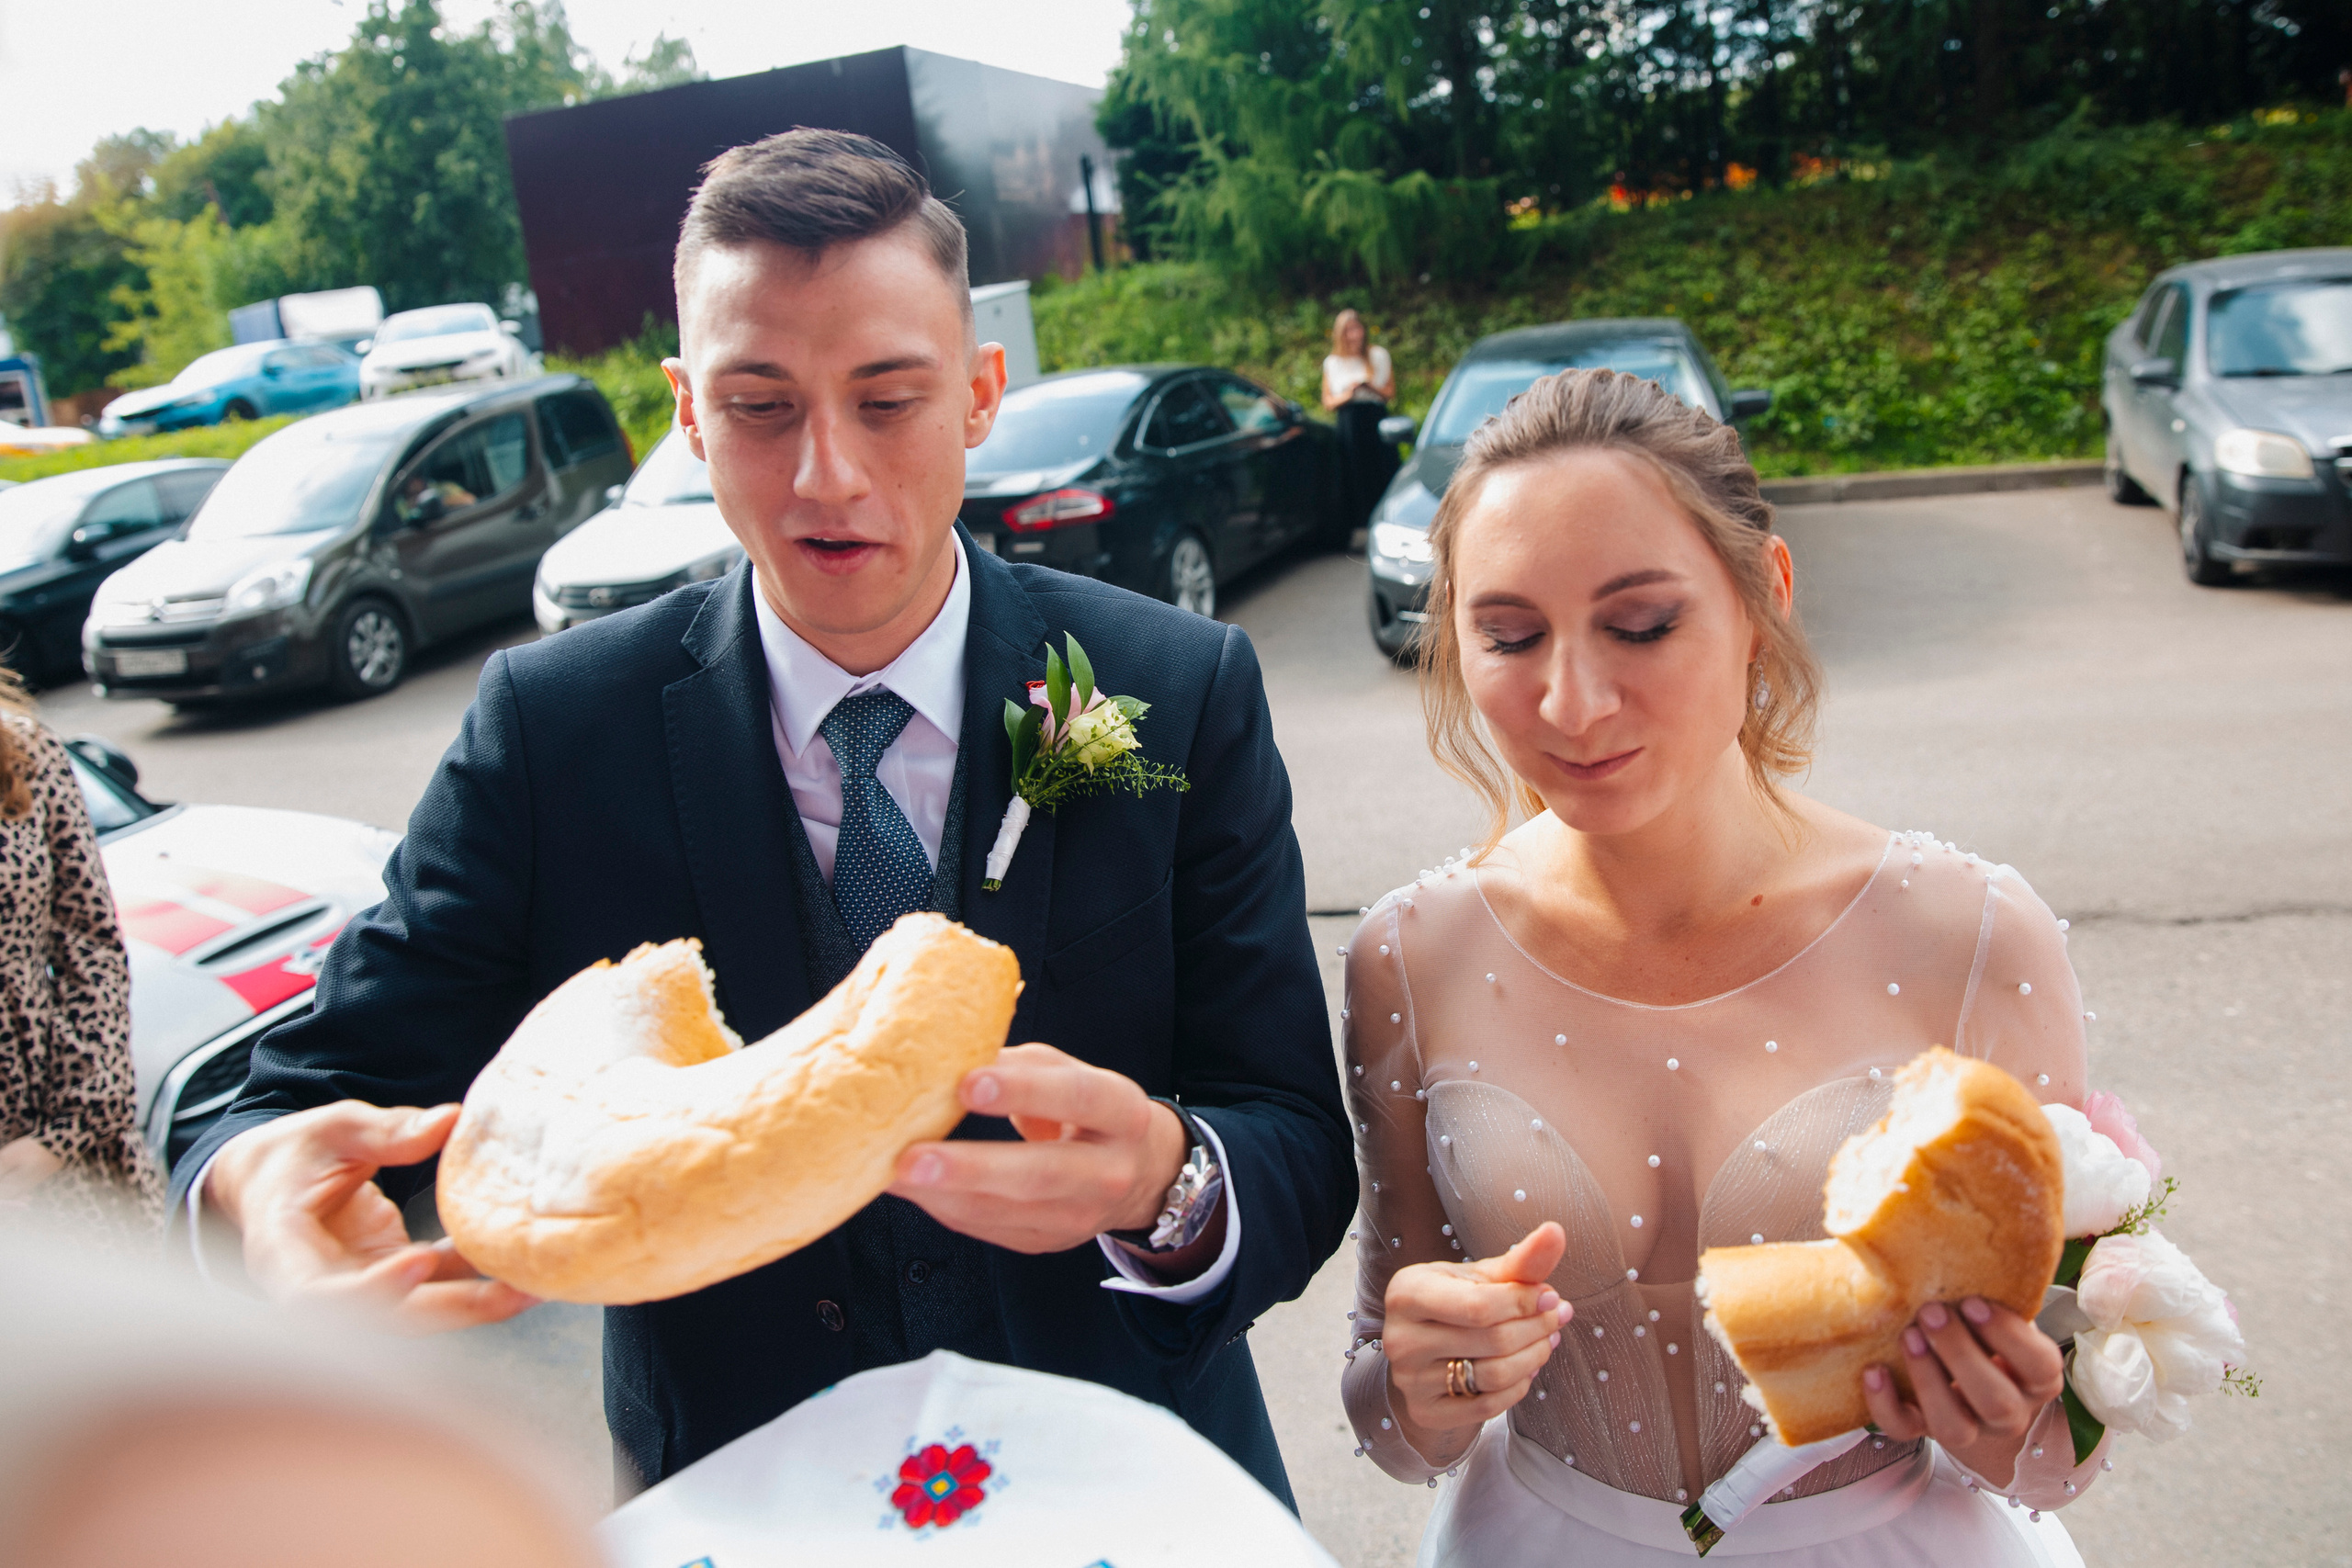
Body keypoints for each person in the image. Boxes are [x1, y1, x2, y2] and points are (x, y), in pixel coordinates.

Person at [170, 130, 1353, 1506]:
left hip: (1134, 1483)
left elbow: (1290, 1129)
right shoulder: (555, 730)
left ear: (979, 394)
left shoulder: (1170, 687)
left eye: (888, 400)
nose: (826, 476)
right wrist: (256, 1190)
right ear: (685, 406)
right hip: (736, 1502)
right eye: (761, 406)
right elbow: (291, 1096)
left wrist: (1169, 1184)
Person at [1340, 368, 2106, 1564]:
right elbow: (1391, 1420)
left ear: (1765, 594)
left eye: (1641, 623)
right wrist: (1423, 1380)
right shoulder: (1408, 952)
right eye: (1509, 634)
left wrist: (2014, 1419)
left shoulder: (1973, 934)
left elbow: (2071, 1440)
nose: (1572, 699)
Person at [0, 668, 160, 1236]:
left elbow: (91, 946)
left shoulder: (19, 747)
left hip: (62, 1142)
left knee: (132, 1318)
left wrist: (68, 1131)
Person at [1321, 308, 1400, 528]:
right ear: (1340, 334)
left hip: (1374, 417)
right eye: (1348, 331)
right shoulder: (1333, 363)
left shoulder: (1379, 355)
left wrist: (1370, 387)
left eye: (1356, 328)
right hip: (1349, 421)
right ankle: (1360, 523)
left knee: (1382, 467)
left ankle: (1388, 518)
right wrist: (1350, 392)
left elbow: (1390, 393)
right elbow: (1328, 402)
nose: (1354, 335)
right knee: (1354, 474)